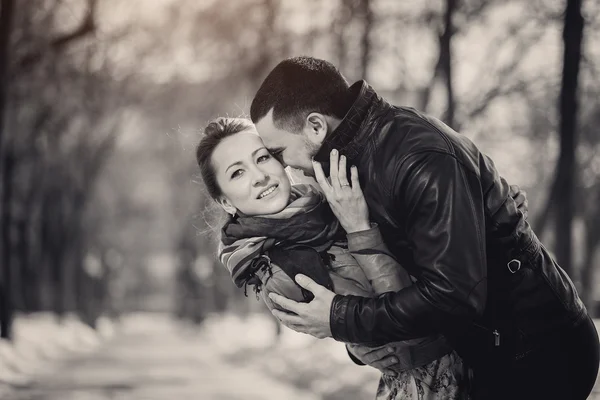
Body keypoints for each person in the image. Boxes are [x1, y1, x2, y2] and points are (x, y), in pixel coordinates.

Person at [249, 56, 600, 400]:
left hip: (538, 357)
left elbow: (454, 296)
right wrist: (360, 345)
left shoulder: (418, 157)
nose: (284, 167)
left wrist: (340, 318)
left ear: (315, 126)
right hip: (482, 352)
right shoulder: (346, 174)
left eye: (279, 153)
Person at [196, 117, 479, 399]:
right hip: (435, 386)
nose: (260, 175)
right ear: (225, 202)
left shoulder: (324, 204)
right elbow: (407, 325)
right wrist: (359, 229)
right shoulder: (279, 268)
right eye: (237, 173)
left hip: (475, 356)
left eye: (262, 157)